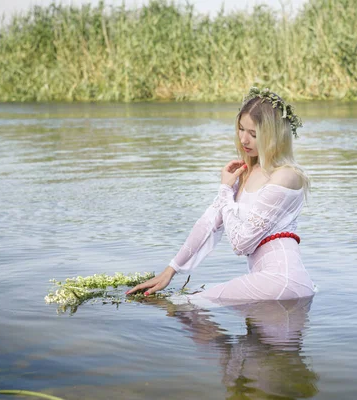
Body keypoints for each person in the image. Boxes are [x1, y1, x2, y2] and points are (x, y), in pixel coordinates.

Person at [126, 87, 315, 302]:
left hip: (282, 281)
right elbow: (208, 223)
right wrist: (170, 270)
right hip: (273, 284)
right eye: (241, 129)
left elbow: (241, 243)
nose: (244, 140)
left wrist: (225, 190)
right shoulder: (244, 173)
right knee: (186, 306)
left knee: (186, 305)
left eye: (253, 134)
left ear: (273, 136)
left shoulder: (286, 176)